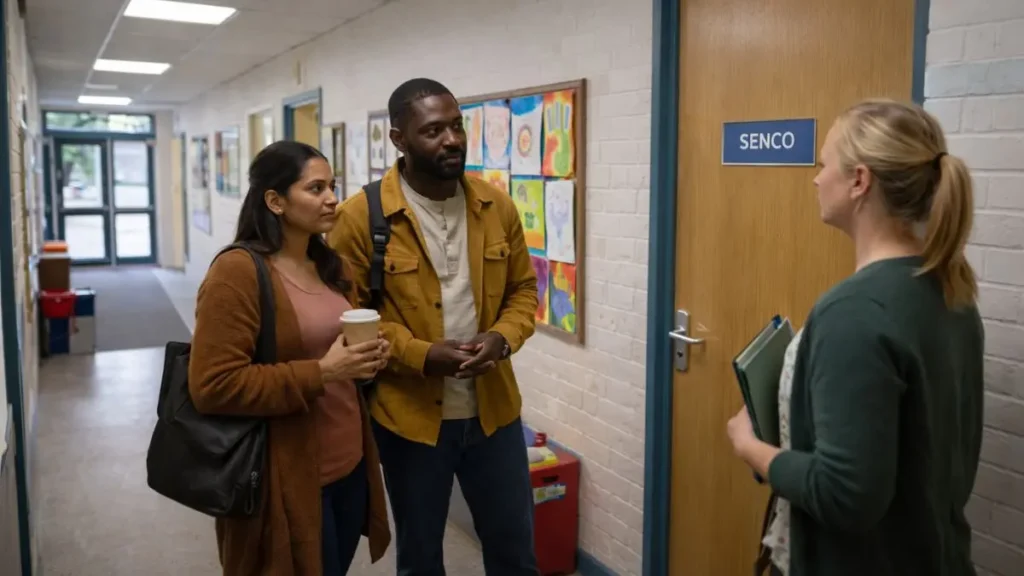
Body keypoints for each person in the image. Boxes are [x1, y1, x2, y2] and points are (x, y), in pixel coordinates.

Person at [726, 99, 985, 576]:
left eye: (825, 164)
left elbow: (846, 495)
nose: (816, 178)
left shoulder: (854, 313)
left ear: (859, 181)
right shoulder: (951, 288)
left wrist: (749, 446)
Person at [328, 78, 540, 575]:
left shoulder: (495, 206)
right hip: (410, 419)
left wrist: (502, 339)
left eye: (457, 126)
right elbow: (351, 315)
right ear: (399, 139)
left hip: (494, 413)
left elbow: (524, 292)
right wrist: (422, 354)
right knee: (421, 557)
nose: (452, 140)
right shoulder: (360, 218)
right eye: (433, 130)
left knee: (515, 550)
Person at [189, 141, 392, 575]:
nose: (333, 198)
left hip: (349, 465)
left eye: (333, 186)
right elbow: (212, 386)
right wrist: (322, 372)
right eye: (315, 188)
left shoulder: (332, 266)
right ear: (275, 201)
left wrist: (370, 357)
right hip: (286, 476)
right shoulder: (237, 273)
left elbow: (338, 356)